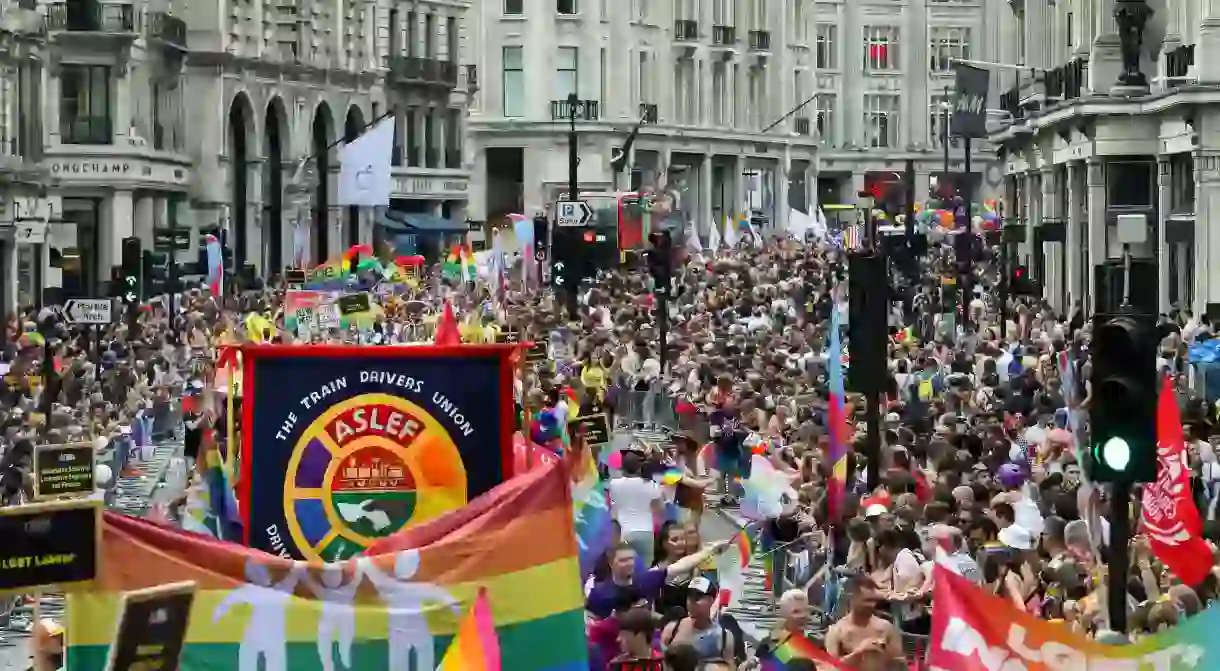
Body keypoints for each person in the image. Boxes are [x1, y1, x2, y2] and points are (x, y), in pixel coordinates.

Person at [586, 541, 730, 619]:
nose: (630, 563)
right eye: (623, 560)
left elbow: (681, 566)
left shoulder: (646, 579)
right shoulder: (599, 593)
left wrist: (711, 550)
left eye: (631, 558)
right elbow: (590, 627)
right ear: (611, 563)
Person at [824, 574, 904, 671]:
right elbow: (830, 668)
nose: (872, 605)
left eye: (874, 600)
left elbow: (901, 666)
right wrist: (858, 652)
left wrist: (886, 653)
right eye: (867, 601)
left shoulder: (886, 628)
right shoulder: (837, 631)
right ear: (852, 598)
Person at [659, 577, 737, 667]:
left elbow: (730, 667)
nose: (691, 602)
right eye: (689, 596)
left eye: (697, 597)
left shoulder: (724, 637)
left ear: (711, 600)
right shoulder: (672, 630)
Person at [610, 450, 665, 563]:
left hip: (624, 532)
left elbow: (614, 511)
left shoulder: (614, 484)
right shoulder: (651, 485)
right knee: (645, 570)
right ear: (640, 467)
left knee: (626, 568)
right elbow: (660, 508)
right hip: (645, 532)